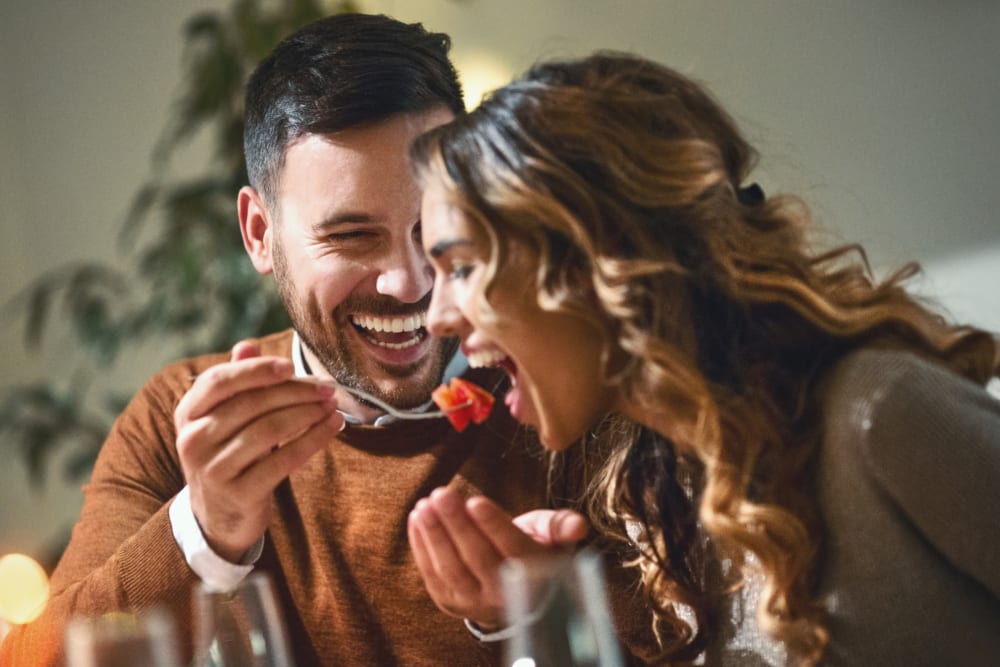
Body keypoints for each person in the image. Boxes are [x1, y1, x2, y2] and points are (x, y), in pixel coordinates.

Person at [0, 15, 660, 667]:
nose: (409, 282)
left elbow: (695, 642)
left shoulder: (562, 390)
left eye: (434, 225)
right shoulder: (179, 415)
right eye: (351, 236)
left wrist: (543, 611)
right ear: (259, 232)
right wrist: (205, 529)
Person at [407, 52, 1000, 665]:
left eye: (465, 267)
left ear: (597, 254)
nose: (438, 316)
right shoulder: (666, 487)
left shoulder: (879, 414)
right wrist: (544, 608)